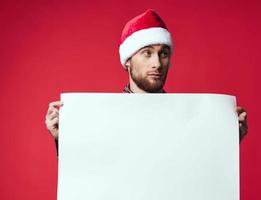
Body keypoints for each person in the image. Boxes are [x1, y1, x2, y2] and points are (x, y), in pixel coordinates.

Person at [45, 9, 248, 151]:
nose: (157, 64)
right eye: (147, 53)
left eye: (163, 54)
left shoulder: (187, 120)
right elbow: (92, 171)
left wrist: (228, 142)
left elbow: (200, 171)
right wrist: (62, 139)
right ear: (128, 61)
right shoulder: (103, 119)